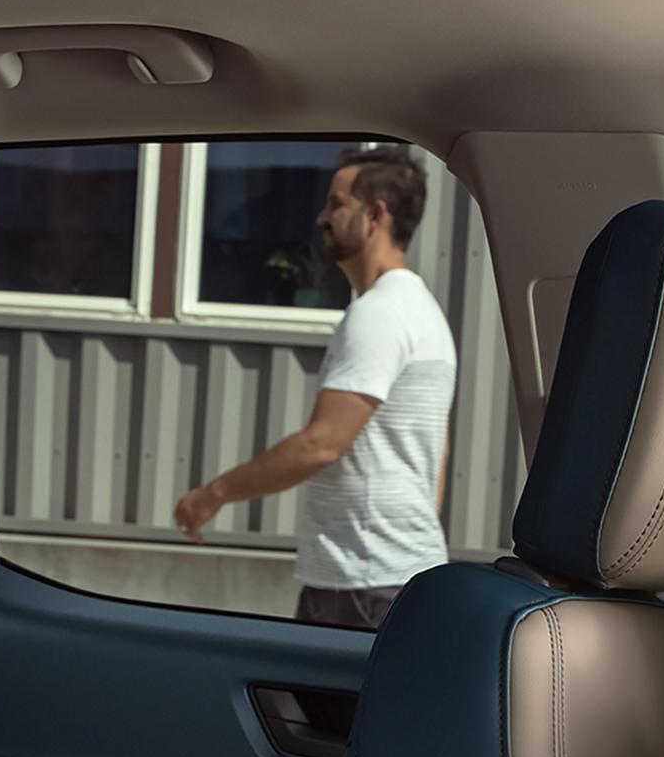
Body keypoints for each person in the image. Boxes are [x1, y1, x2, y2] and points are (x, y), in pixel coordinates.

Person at [174, 144, 457, 629]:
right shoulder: (422, 310)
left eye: (336, 203)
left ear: (375, 216)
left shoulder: (379, 314)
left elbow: (320, 445)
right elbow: (438, 452)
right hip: (394, 573)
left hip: (363, 585)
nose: (321, 215)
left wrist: (213, 494)